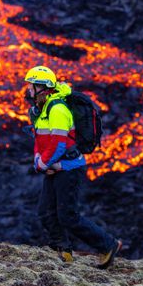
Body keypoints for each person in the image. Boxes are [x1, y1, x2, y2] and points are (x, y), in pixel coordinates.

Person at [24, 65, 121, 269]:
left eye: (32, 86)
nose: (28, 90)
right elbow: (41, 141)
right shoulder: (40, 110)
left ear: (43, 88)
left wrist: (43, 164)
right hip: (55, 166)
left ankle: (108, 245)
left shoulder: (57, 109)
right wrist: (39, 160)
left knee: (68, 215)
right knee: (45, 211)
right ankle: (64, 250)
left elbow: (58, 144)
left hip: (69, 168)